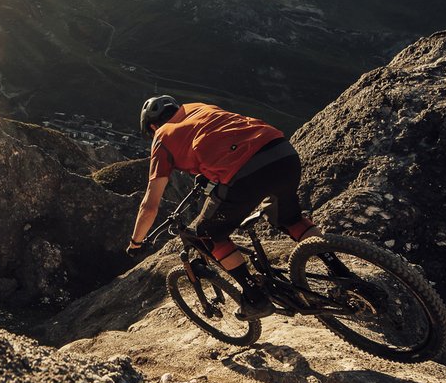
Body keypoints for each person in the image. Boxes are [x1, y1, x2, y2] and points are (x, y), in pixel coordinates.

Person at [126, 95, 328, 320]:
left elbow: (150, 204)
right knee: (291, 219)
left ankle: (255, 298)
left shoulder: (162, 138)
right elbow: (224, 140)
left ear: (153, 126)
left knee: (207, 234)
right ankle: (338, 269)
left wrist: (136, 243)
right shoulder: (200, 108)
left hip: (245, 173)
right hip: (282, 152)